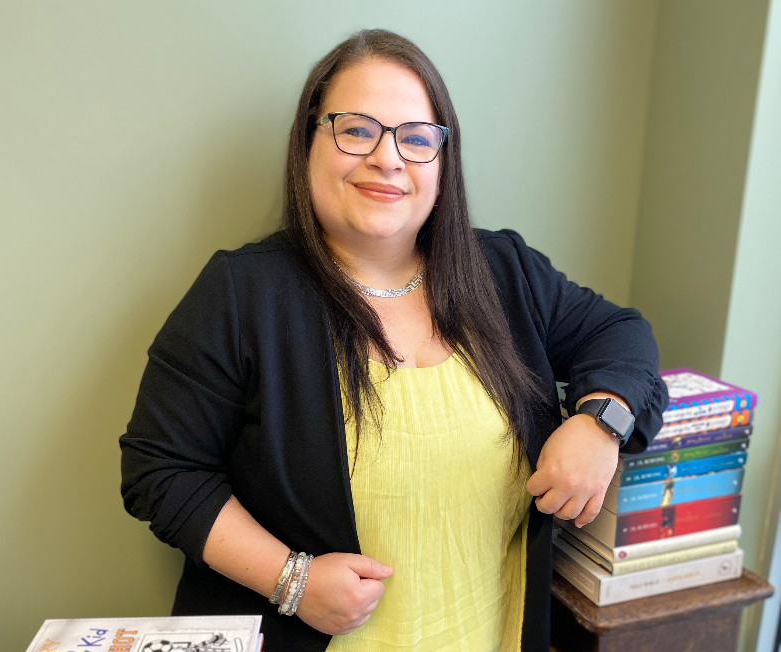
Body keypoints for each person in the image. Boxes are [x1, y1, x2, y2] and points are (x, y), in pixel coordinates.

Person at [120, 28, 668, 652]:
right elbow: (159, 469)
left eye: (415, 139)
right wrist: (290, 580)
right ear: (308, 144)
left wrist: (600, 422)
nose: (388, 159)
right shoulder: (243, 293)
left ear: (442, 160)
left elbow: (620, 331)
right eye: (356, 129)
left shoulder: (502, 270)